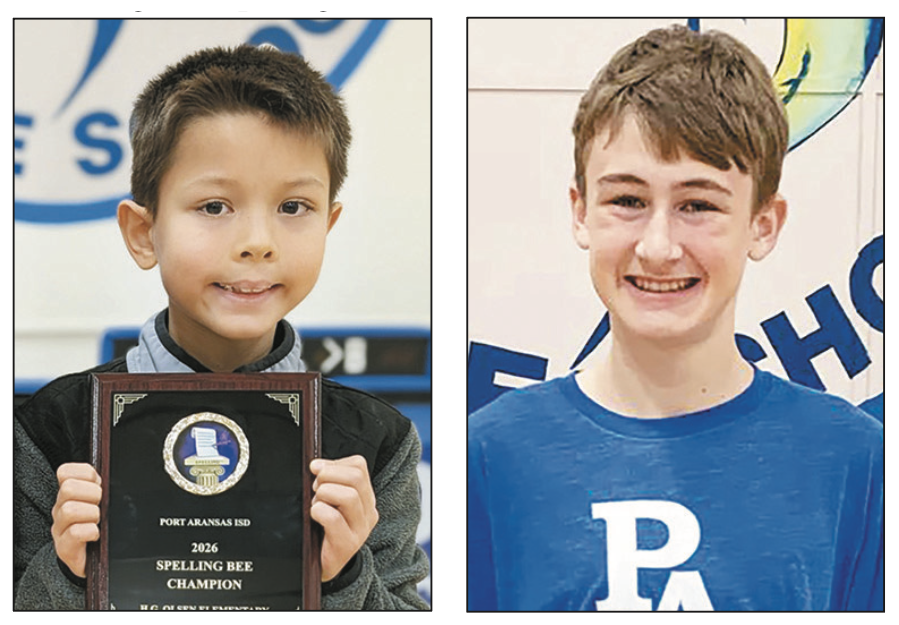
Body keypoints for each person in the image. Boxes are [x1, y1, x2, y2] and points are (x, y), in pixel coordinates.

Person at [468, 25, 882, 611]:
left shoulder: (857, 464)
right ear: (581, 211)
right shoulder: (489, 457)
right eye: (628, 201)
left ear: (764, 223)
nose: (659, 247)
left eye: (698, 205)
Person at [14, 44, 429, 610]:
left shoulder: (374, 444)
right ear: (142, 232)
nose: (256, 241)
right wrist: (66, 572)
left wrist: (340, 575)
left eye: (293, 207)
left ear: (329, 225)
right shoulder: (47, 433)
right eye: (213, 206)